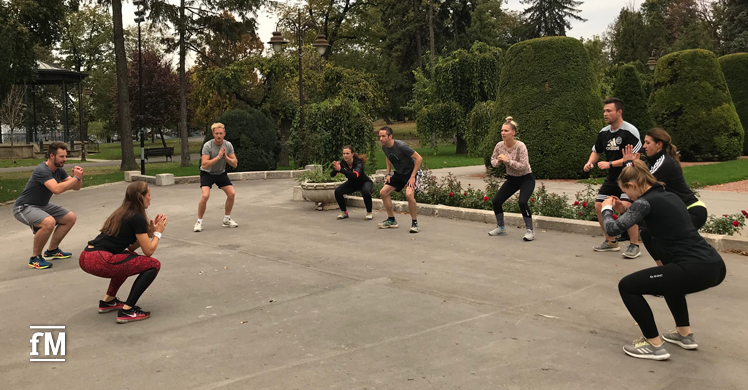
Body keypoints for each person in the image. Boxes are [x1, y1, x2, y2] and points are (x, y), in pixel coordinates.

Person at [601, 160, 725, 361]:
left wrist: (607, 209)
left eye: (626, 192)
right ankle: (684, 334)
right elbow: (645, 219)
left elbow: (613, 229)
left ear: (632, 186)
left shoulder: (644, 202)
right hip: (715, 266)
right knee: (669, 281)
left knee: (627, 286)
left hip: (694, 268)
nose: (628, 197)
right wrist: (622, 209)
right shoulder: (668, 196)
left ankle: (653, 344)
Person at [79, 181, 166, 324]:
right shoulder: (136, 217)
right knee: (153, 265)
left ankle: (109, 301)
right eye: (149, 195)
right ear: (140, 197)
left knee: (131, 258)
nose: (150, 198)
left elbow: (131, 248)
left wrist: (149, 232)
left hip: (87, 256)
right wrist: (157, 234)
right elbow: (149, 251)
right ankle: (127, 310)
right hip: (100, 259)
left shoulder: (122, 212)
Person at [621, 128, 708, 266]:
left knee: (665, 240)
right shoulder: (654, 161)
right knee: (648, 234)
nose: (644, 146)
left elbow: (644, 183)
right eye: (644, 142)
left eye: (648, 142)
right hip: (678, 212)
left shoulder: (664, 162)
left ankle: (684, 270)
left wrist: (629, 164)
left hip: (691, 210)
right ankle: (664, 269)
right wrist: (630, 163)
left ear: (659, 144)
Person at [583, 98, 642, 258]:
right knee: (599, 206)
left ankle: (634, 245)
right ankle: (611, 241)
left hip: (629, 176)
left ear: (619, 112)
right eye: (604, 111)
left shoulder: (630, 131)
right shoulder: (604, 132)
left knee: (626, 207)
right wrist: (590, 162)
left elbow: (634, 157)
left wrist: (610, 164)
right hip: (612, 178)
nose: (605, 114)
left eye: (609, 111)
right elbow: (596, 150)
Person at [13, 141, 83, 269]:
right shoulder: (42, 170)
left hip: (41, 205)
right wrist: (75, 178)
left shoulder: (59, 170)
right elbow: (56, 189)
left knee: (70, 217)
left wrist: (78, 177)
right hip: (23, 207)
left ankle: (52, 250)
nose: (64, 159)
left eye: (65, 156)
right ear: (52, 156)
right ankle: (35, 258)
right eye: (61, 157)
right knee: (48, 222)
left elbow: (76, 187)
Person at [488, 117, 536, 241]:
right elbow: (493, 161)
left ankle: (530, 231)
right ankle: (501, 227)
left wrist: (508, 161)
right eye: (502, 130)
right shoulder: (499, 145)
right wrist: (498, 161)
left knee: (522, 202)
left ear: (513, 133)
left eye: (506, 131)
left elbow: (524, 166)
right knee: (496, 201)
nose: (503, 133)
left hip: (526, 179)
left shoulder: (520, 146)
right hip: (512, 179)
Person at [378, 126, 424, 233]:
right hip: (400, 173)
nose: (381, 139)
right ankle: (391, 220)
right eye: (379, 136)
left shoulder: (402, 146)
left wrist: (412, 177)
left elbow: (419, 158)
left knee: (409, 194)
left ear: (390, 136)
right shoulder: (384, 147)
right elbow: (388, 157)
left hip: (413, 172)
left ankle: (414, 223)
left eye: (383, 136)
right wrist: (388, 173)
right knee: (383, 192)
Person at [194, 122, 239, 232]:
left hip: (220, 173)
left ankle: (226, 219)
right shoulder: (208, 146)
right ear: (213, 134)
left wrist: (225, 157)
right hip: (207, 173)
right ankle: (199, 222)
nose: (219, 136)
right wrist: (218, 157)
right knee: (205, 196)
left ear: (224, 134)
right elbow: (204, 164)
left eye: (221, 133)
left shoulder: (228, 145)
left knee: (231, 194)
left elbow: (234, 163)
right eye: (216, 133)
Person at [331, 145, 374, 220]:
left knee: (365, 191)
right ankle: (344, 212)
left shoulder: (358, 163)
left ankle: (369, 212)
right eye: (344, 154)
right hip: (352, 183)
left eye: (347, 153)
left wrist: (341, 170)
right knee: (338, 191)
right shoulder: (342, 163)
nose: (345, 156)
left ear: (352, 154)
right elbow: (332, 175)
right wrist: (336, 169)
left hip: (364, 182)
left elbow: (355, 175)